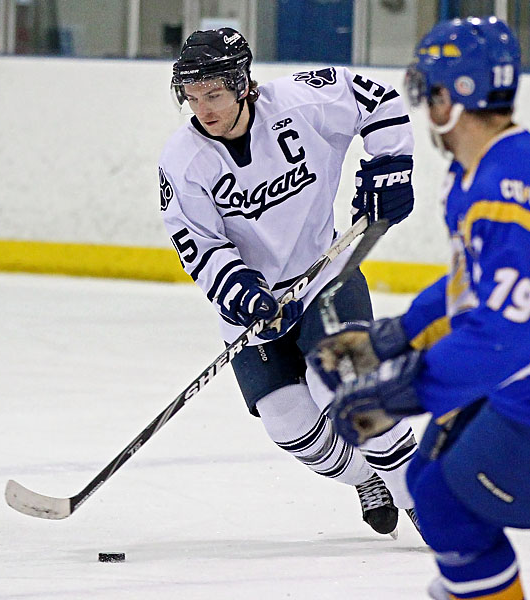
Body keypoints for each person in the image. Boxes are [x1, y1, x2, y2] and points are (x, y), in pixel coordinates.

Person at [310, 17, 530, 599]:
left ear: (456, 96)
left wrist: (403, 390)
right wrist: (393, 337)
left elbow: (508, 336)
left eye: (428, 90)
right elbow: (475, 288)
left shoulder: (510, 186)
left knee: (447, 505)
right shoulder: (486, 169)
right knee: (429, 474)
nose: (423, 104)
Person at [158, 27, 420, 536]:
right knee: (287, 422)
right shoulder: (183, 161)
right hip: (253, 305)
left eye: (213, 93)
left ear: (243, 84)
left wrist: (391, 164)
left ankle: (421, 497)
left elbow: (379, 100)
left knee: (344, 387)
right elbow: (199, 245)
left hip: (326, 276)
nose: (203, 108)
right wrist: (240, 291)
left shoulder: (302, 101)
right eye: (192, 97)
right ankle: (371, 477)